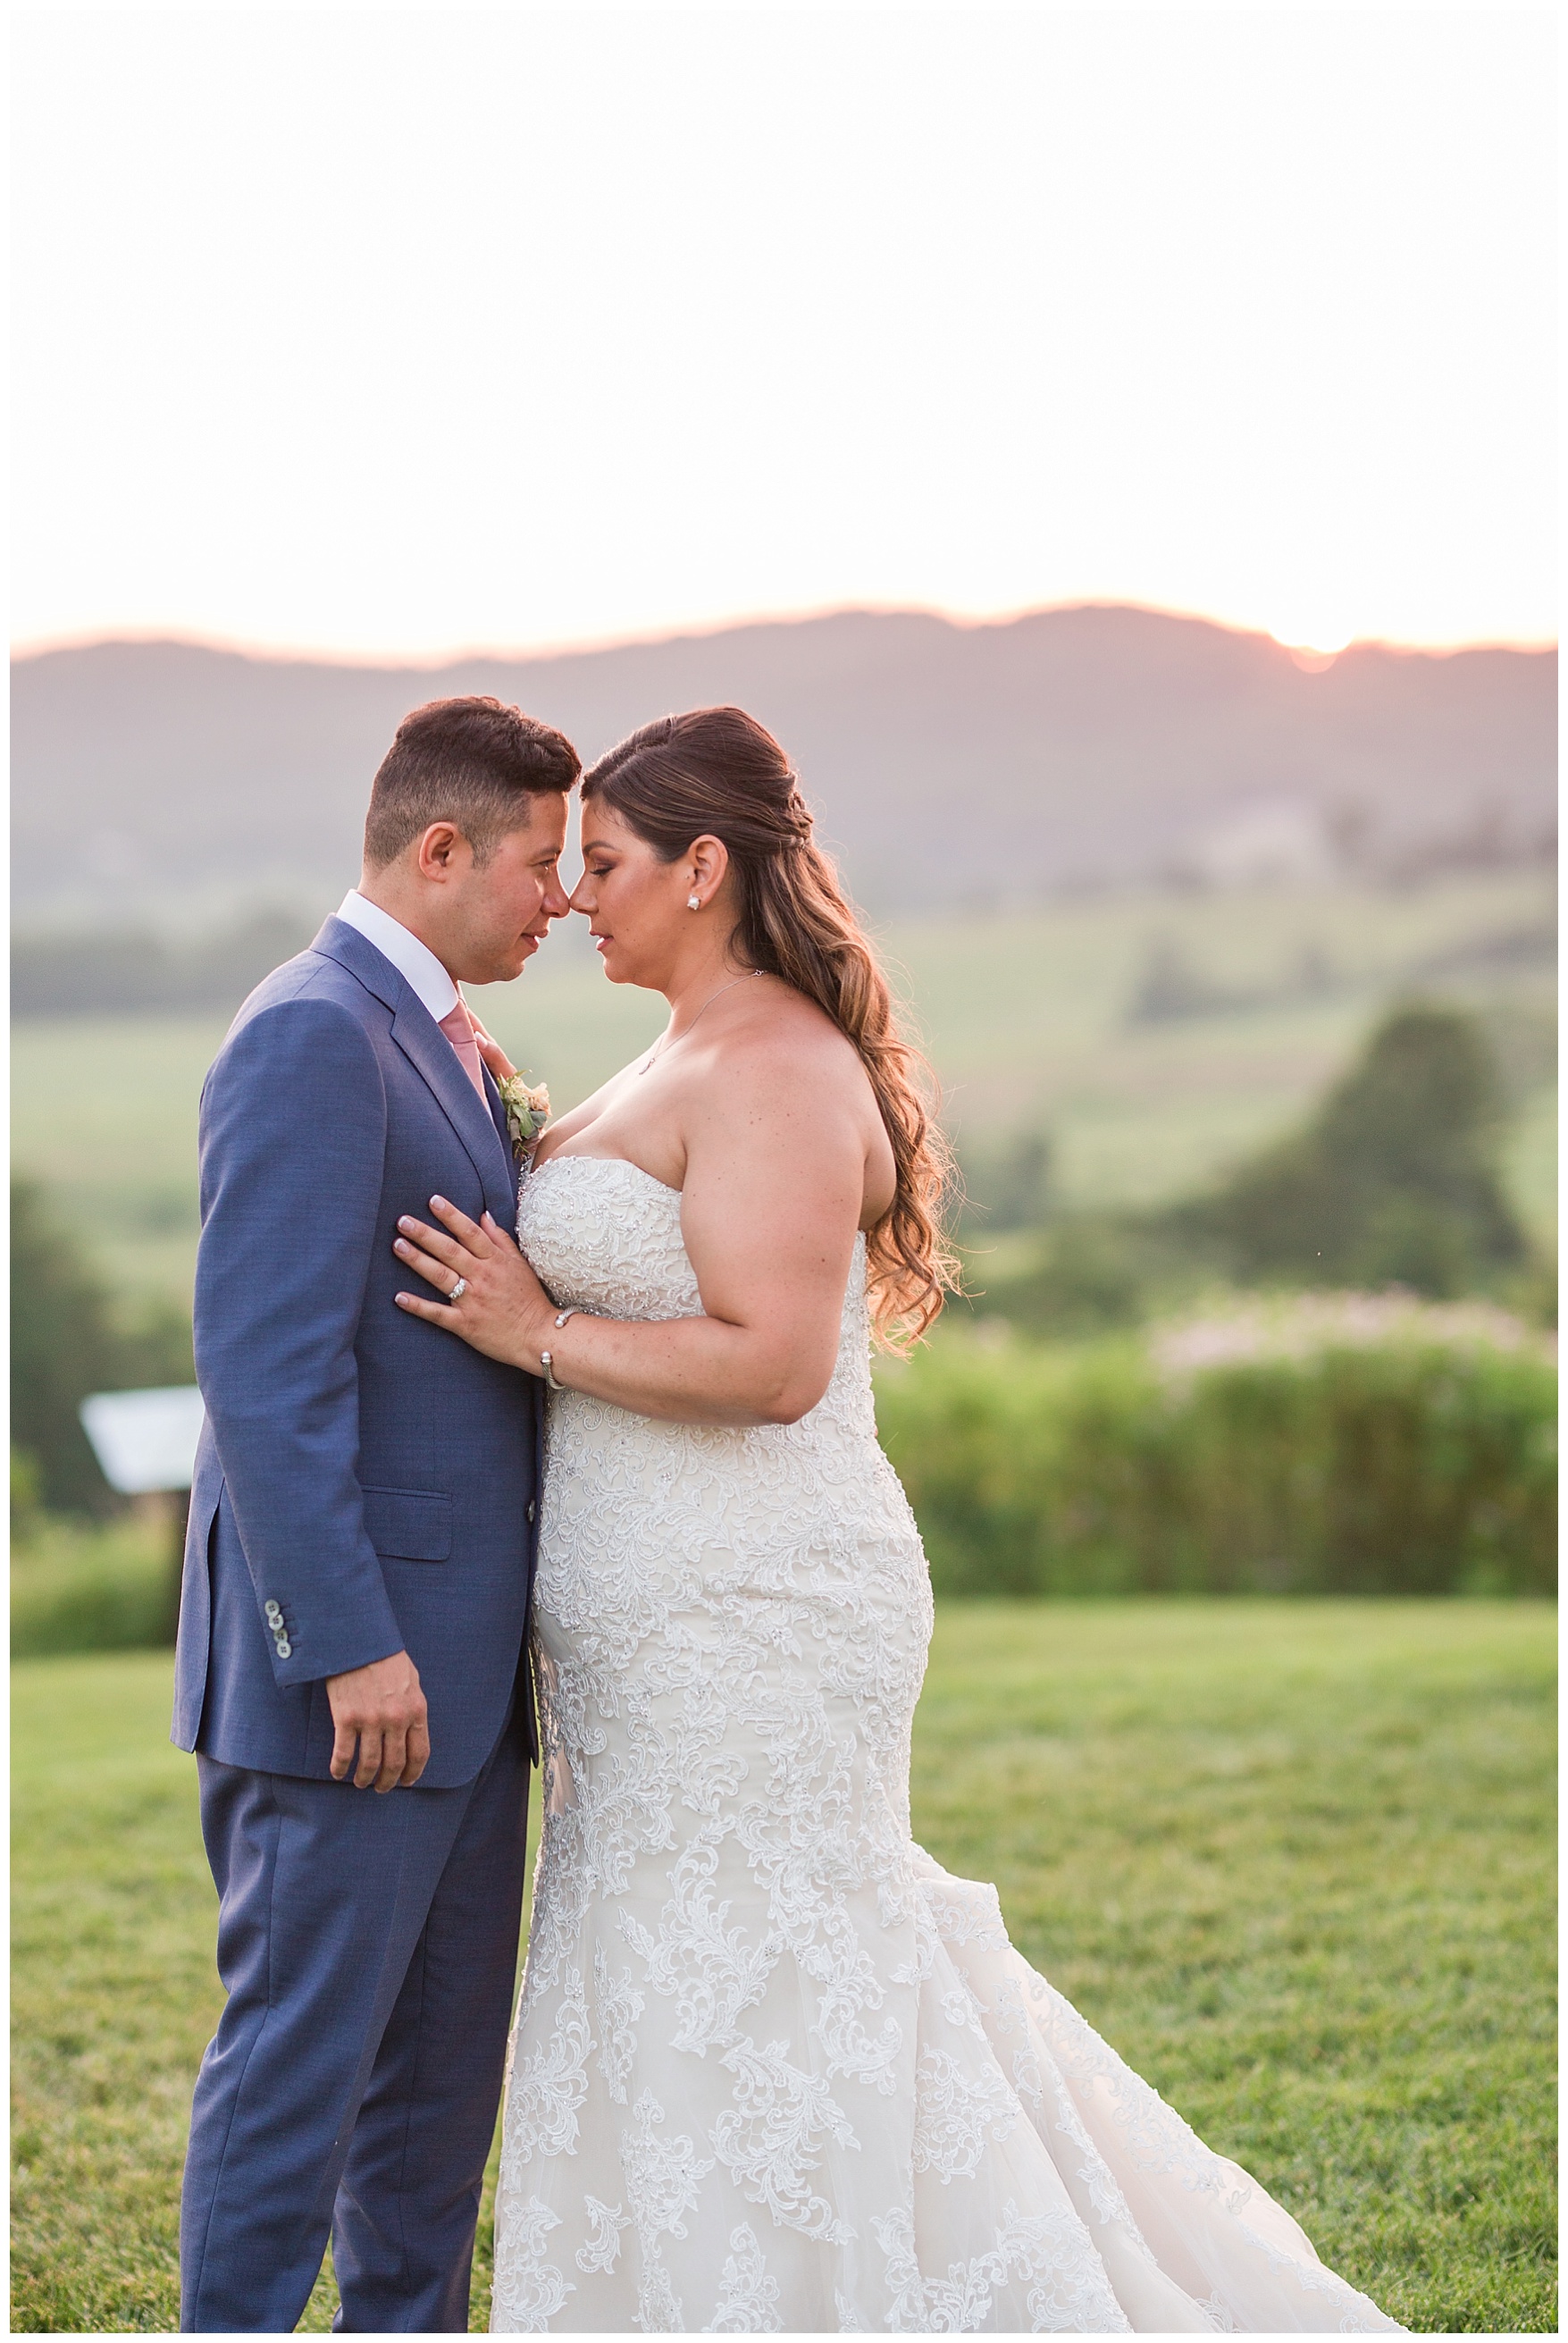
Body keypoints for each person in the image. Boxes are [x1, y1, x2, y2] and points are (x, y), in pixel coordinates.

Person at [390, 704, 1404, 2334]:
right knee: (677, 1988)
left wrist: (538, 1331)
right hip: (651, 1646)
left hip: (760, 1619)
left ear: (705, 867)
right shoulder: (683, 1047)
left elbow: (779, 1363)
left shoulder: (780, 1061)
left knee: (776, 1989)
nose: (577, 897)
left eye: (608, 863)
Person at [173, 695, 579, 2333]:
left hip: (468, 1697)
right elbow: (265, 1381)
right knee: (299, 2086)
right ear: (440, 847)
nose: (563, 896)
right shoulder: (310, 1033)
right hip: (360, 1687)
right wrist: (350, 1645)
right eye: (544, 863)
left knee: (430, 2116)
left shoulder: (443, 1034)